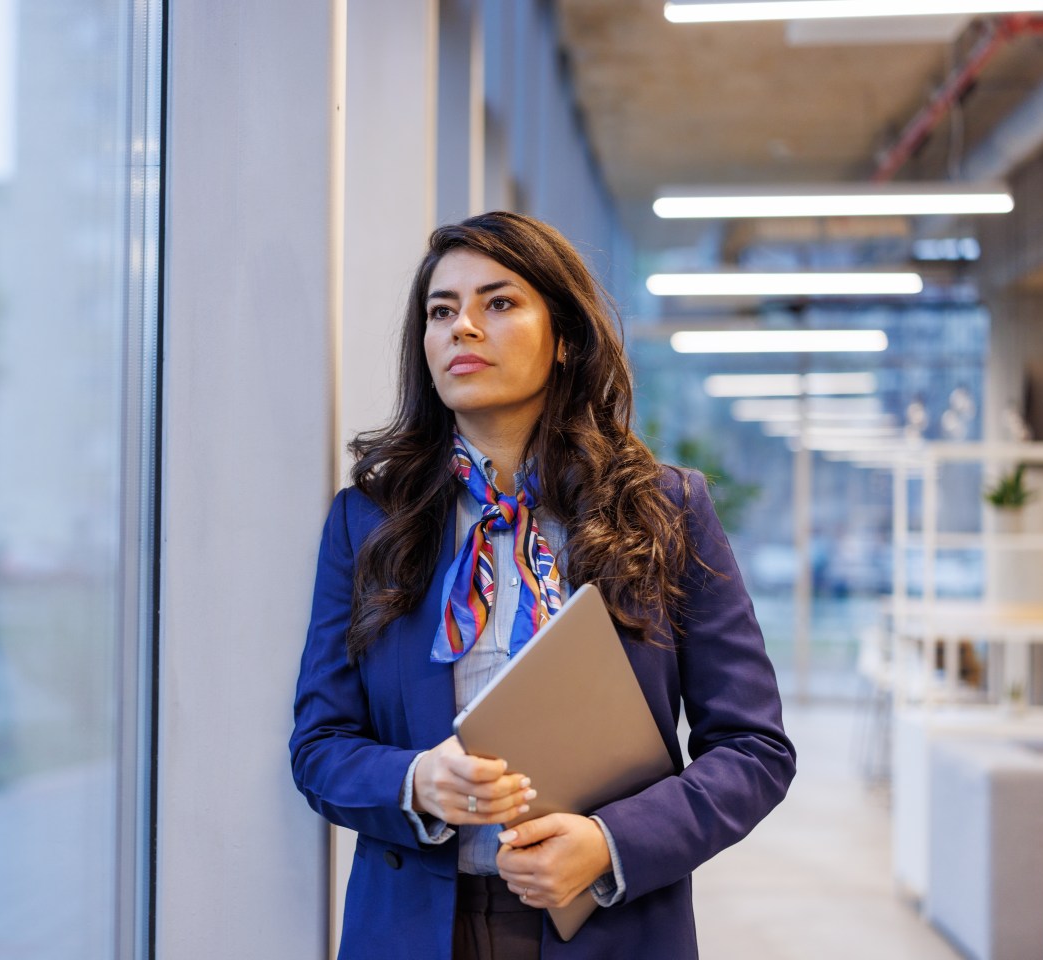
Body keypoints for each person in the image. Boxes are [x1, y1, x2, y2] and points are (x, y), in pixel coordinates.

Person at [289, 212, 795, 960]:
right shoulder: (369, 522)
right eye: (441, 310)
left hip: (611, 927)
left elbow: (754, 749)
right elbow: (320, 745)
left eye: (498, 303)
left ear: (564, 340)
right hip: (419, 929)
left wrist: (608, 843)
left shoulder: (665, 508)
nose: (463, 327)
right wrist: (419, 781)